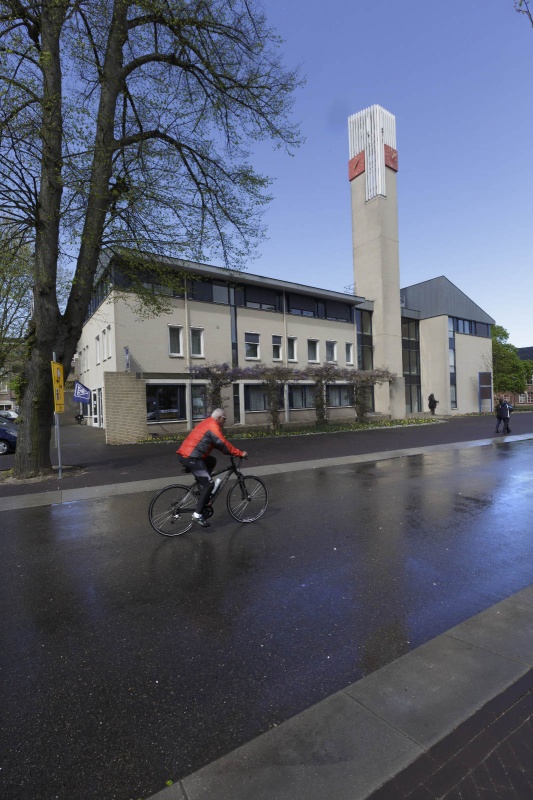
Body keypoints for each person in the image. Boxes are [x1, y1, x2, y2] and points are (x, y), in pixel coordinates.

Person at [176, 408, 247, 527]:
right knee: (210, 484)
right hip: (191, 457)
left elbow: (216, 444)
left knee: (211, 460)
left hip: (189, 455)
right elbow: (222, 443)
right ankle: (197, 515)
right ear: (219, 418)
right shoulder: (213, 425)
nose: (224, 422)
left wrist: (229, 451)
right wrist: (239, 453)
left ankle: (202, 487)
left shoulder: (208, 422)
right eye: (224, 419)